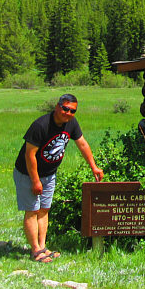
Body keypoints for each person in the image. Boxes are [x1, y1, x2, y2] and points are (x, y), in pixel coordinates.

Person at [14, 93, 103, 262]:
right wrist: (35, 180)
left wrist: (94, 167)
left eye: (72, 111)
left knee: (44, 209)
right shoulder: (41, 125)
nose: (68, 113)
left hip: (49, 174)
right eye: (65, 108)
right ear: (57, 107)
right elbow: (29, 155)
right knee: (32, 210)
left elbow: (82, 143)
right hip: (28, 174)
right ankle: (35, 250)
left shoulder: (71, 124)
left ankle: (42, 246)